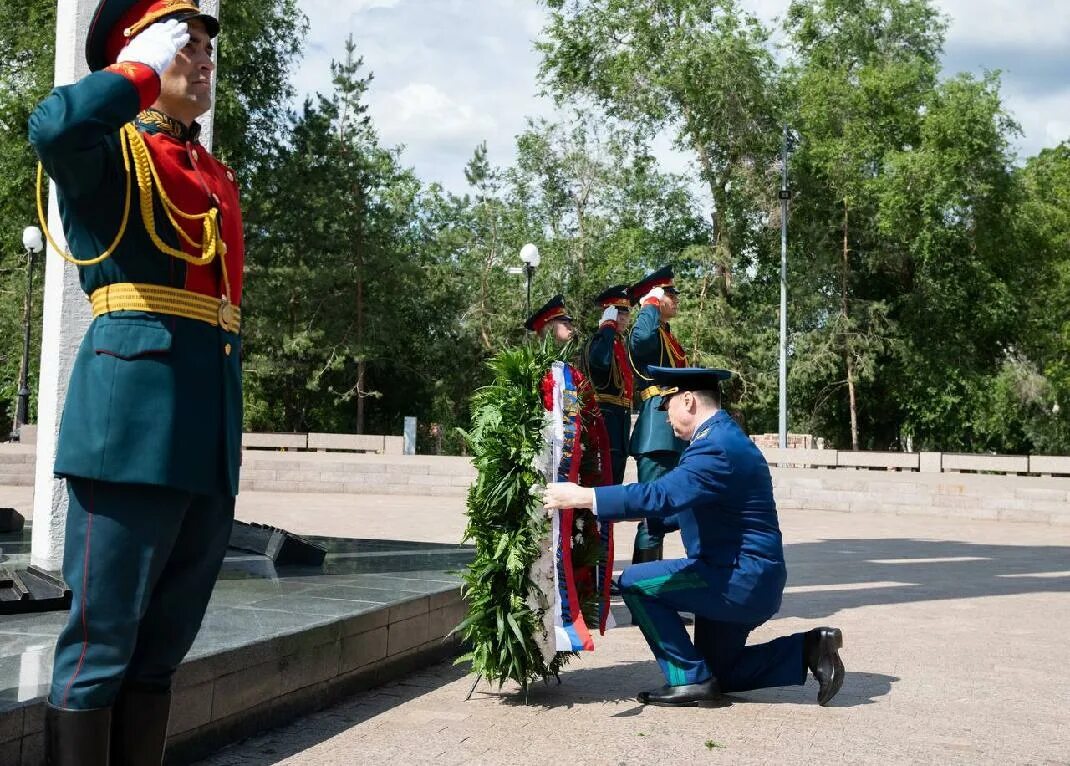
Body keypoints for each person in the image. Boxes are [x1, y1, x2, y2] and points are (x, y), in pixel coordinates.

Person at [29, 2, 243, 762]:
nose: (204, 59)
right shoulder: (110, 152)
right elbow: (52, 125)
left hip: (204, 435)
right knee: (100, 651)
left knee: (160, 655)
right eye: (185, 46)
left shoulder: (209, 171)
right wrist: (138, 73)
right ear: (139, 51)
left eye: (204, 48)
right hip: (128, 434)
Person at [542, 366, 846, 707]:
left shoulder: (716, 446)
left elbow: (662, 494)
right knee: (721, 672)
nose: (666, 419)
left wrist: (584, 497)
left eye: (665, 407)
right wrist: (614, 518)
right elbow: (685, 504)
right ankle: (808, 648)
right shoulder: (722, 438)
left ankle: (688, 680)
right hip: (745, 577)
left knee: (635, 583)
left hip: (737, 579)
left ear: (687, 401)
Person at [627, 266, 687, 564]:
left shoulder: (667, 333)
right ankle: (643, 595)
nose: (675, 299)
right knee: (653, 515)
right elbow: (641, 341)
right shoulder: (648, 330)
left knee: (673, 512)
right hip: (657, 430)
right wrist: (649, 304)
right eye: (669, 294)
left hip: (673, 428)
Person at [581, 285, 633, 485]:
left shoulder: (619, 344)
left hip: (620, 423)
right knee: (603, 481)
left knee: (616, 479)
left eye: (626, 313)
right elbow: (601, 361)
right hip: (604, 420)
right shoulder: (598, 341)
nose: (623, 318)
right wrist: (607, 327)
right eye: (617, 313)